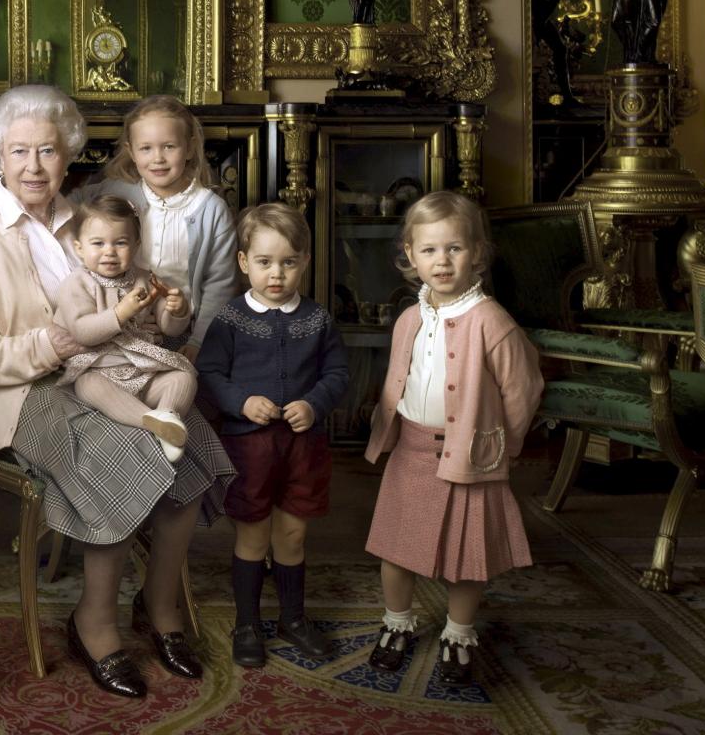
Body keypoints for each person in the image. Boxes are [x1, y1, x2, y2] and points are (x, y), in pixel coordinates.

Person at [0, 85, 235, 699]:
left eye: (48, 150)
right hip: (16, 391)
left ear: (68, 154)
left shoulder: (90, 219)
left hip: (105, 372)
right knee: (125, 450)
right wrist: (57, 346)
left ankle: (159, 605)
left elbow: (134, 309)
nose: (34, 166)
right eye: (19, 151)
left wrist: (162, 317)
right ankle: (93, 620)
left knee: (192, 441)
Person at [362, 191, 543, 686]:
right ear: (410, 255)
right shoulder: (408, 318)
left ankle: (458, 632)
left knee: (467, 558)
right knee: (396, 550)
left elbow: (524, 389)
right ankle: (397, 624)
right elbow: (398, 381)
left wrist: (502, 445)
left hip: (470, 456)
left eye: (455, 249)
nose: (442, 261)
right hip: (412, 450)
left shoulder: (492, 320)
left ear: (477, 252)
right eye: (430, 250)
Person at [195, 203, 349, 668]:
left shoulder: (318, 319)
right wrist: (241, 401)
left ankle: (293, 618)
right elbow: (209, 373)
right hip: (250, 447)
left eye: (287, 262)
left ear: (304, 261)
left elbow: (339, 373)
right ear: (244, 263)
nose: (276, 274)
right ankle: (247, 621)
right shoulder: (230, 319)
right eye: (264, 262)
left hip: (303, 447)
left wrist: (314, 402)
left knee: (293, 533)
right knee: (253, 534)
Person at [78, 94, 239, 363]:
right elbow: (68, 208)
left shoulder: (211, 209)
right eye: (146, 148)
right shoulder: (116, 192)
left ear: (189, 148)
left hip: (181, 324)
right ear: (131, 152)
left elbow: (219, 285)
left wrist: (198, 340)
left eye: (169, 146)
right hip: (119, 318)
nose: (158, 159)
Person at [54, 194, 197, 462]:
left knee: (183, 378)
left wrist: (177, 311)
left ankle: (167, 415)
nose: (109, 251)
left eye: (120, 243)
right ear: (79, 248)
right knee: (87, 385)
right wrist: (121, 313)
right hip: (100, 367)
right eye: (98, 243)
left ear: (136, 245)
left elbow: (169, 330)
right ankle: (152, 423)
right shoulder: (77, 284)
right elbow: (82, 331)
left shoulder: (146, 278)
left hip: (142, 369)